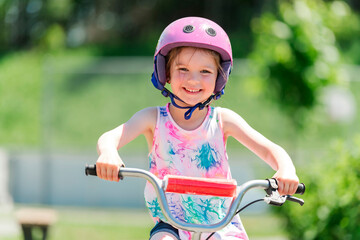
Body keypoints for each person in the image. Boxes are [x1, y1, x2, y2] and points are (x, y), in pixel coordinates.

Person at [96, 17, 299, 240]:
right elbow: (110, 137)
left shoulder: (223, 120)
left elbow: (270, 150)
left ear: (219, 78)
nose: (193, 80)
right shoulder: (153, 119)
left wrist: (285, 169)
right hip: (171, 223)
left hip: (220, 222)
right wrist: (109, 153)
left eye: (205, 72)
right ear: (165, 73)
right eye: (183, 69)